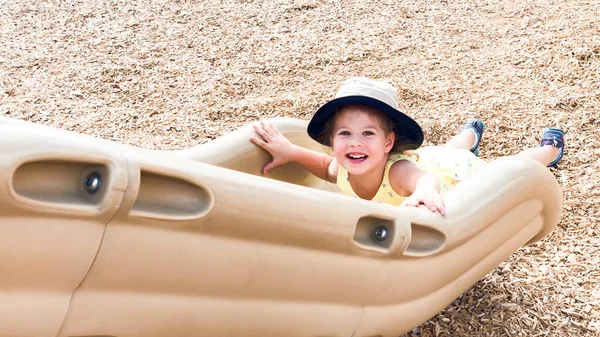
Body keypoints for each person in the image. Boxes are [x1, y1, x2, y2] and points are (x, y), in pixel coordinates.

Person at [250, 77, 565, 216]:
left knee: (504, 168)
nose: (355, 142)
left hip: (454, 178)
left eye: (368, 134)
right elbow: (325, 168)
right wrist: (289, 151)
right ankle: (470, 133)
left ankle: (548, 151)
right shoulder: (343, 166)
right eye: (344, 133)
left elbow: (423, 179)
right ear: (332, 142)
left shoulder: (398, 171)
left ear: (389, 143)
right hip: (434, 158)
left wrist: (424, 193)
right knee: (450, 149)